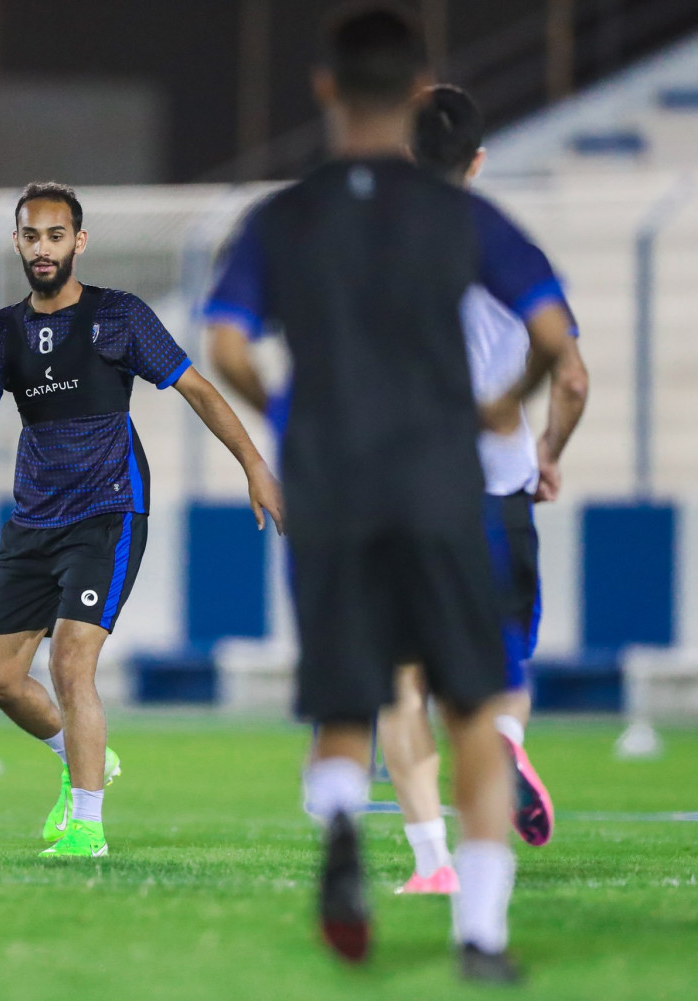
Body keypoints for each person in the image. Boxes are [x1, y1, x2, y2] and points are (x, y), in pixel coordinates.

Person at [203, 4, 575, 982]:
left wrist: (282, 406)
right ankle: (482, 938)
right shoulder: (468, 217)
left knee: (344, 703)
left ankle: (340, 833)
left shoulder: (283, 217)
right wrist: (502, 406)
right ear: (414, 87)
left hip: (332, 484)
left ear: (327, 89)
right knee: (474, 705)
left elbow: (227, 343)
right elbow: (552, 339)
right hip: (442, 479)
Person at [0, 181, 283, 859]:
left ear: (79, 242)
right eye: (31, 236)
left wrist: (254, 465)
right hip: (34, 520)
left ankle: (88, 827)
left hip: (108, 511)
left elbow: (199, 390)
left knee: (72, 662)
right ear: (17, 242)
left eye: (56, 235)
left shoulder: (119, 316)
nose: (43, 248)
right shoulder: (0, 332)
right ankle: (82, 756)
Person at [375, 84, 589, 895]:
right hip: (499, 493)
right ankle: (502, 732)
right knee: (500, 668)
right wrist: (547, 450)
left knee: (399, 680)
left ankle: (435, 863)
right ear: (478, 159)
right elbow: (570, 377)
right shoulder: (511, 251)